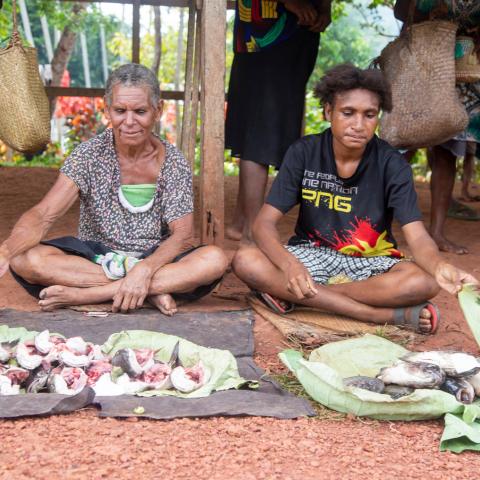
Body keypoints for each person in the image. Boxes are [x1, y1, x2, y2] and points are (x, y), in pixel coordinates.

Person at [232, 64, 478, 333]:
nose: (358, 125)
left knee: (425, 282)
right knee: (246, 260)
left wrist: (439, 266)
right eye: (348, 113)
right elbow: (263, 224)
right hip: (310, 256)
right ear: (329, 112)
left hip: (371, 262)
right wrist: (290, 266)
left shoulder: (392, 164)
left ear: (378, 117)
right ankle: (370, 314)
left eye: (369, 115)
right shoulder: (304, 152)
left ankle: (306, 298)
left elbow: (417, 237)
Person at [0, 64, 228, 315]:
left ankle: (91, 294)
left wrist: (145, 268)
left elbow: (182, 236)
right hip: (97, 259)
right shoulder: (88, 155)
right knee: (24, 259)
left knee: (214, 259)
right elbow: (44, 214)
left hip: (155, 258)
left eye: (140, 111)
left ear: (157, 110)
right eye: (120, 111)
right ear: (107, 109)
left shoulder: (173, 162)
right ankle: (149, 292)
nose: (129, 122)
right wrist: (7, 250)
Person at [225, 0, 332, 242]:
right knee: (261, 133)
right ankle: (252, 230)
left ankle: (241, 222)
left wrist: (324, 9)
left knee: (261, 127)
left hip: (295, 36)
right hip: (267, 33)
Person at [394, 0, 480, 254]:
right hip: (423, 62)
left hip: (462, 70)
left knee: (446, 149)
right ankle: (368, 219)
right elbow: (401, 11)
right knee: (403, 143)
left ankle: (437, 234)